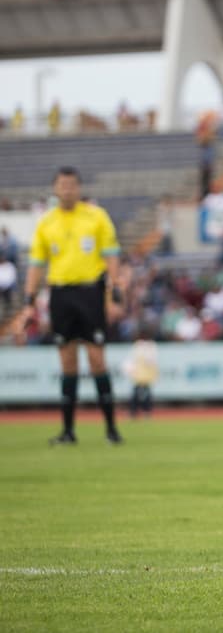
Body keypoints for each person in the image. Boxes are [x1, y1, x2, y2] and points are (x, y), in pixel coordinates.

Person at [21, 167, 125, 445]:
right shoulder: (46, 223)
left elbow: (112, 256)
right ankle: (68, 431)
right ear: (55, 189)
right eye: (62, 185)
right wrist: (29, 301)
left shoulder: (96, 216)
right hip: (61, 295)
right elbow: (36, 265)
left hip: (90, 292)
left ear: (79, 188)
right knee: (67, 361)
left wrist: (115, 293)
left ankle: (111, 429)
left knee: (96, 359)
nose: (67, 190)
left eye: (72, 185)